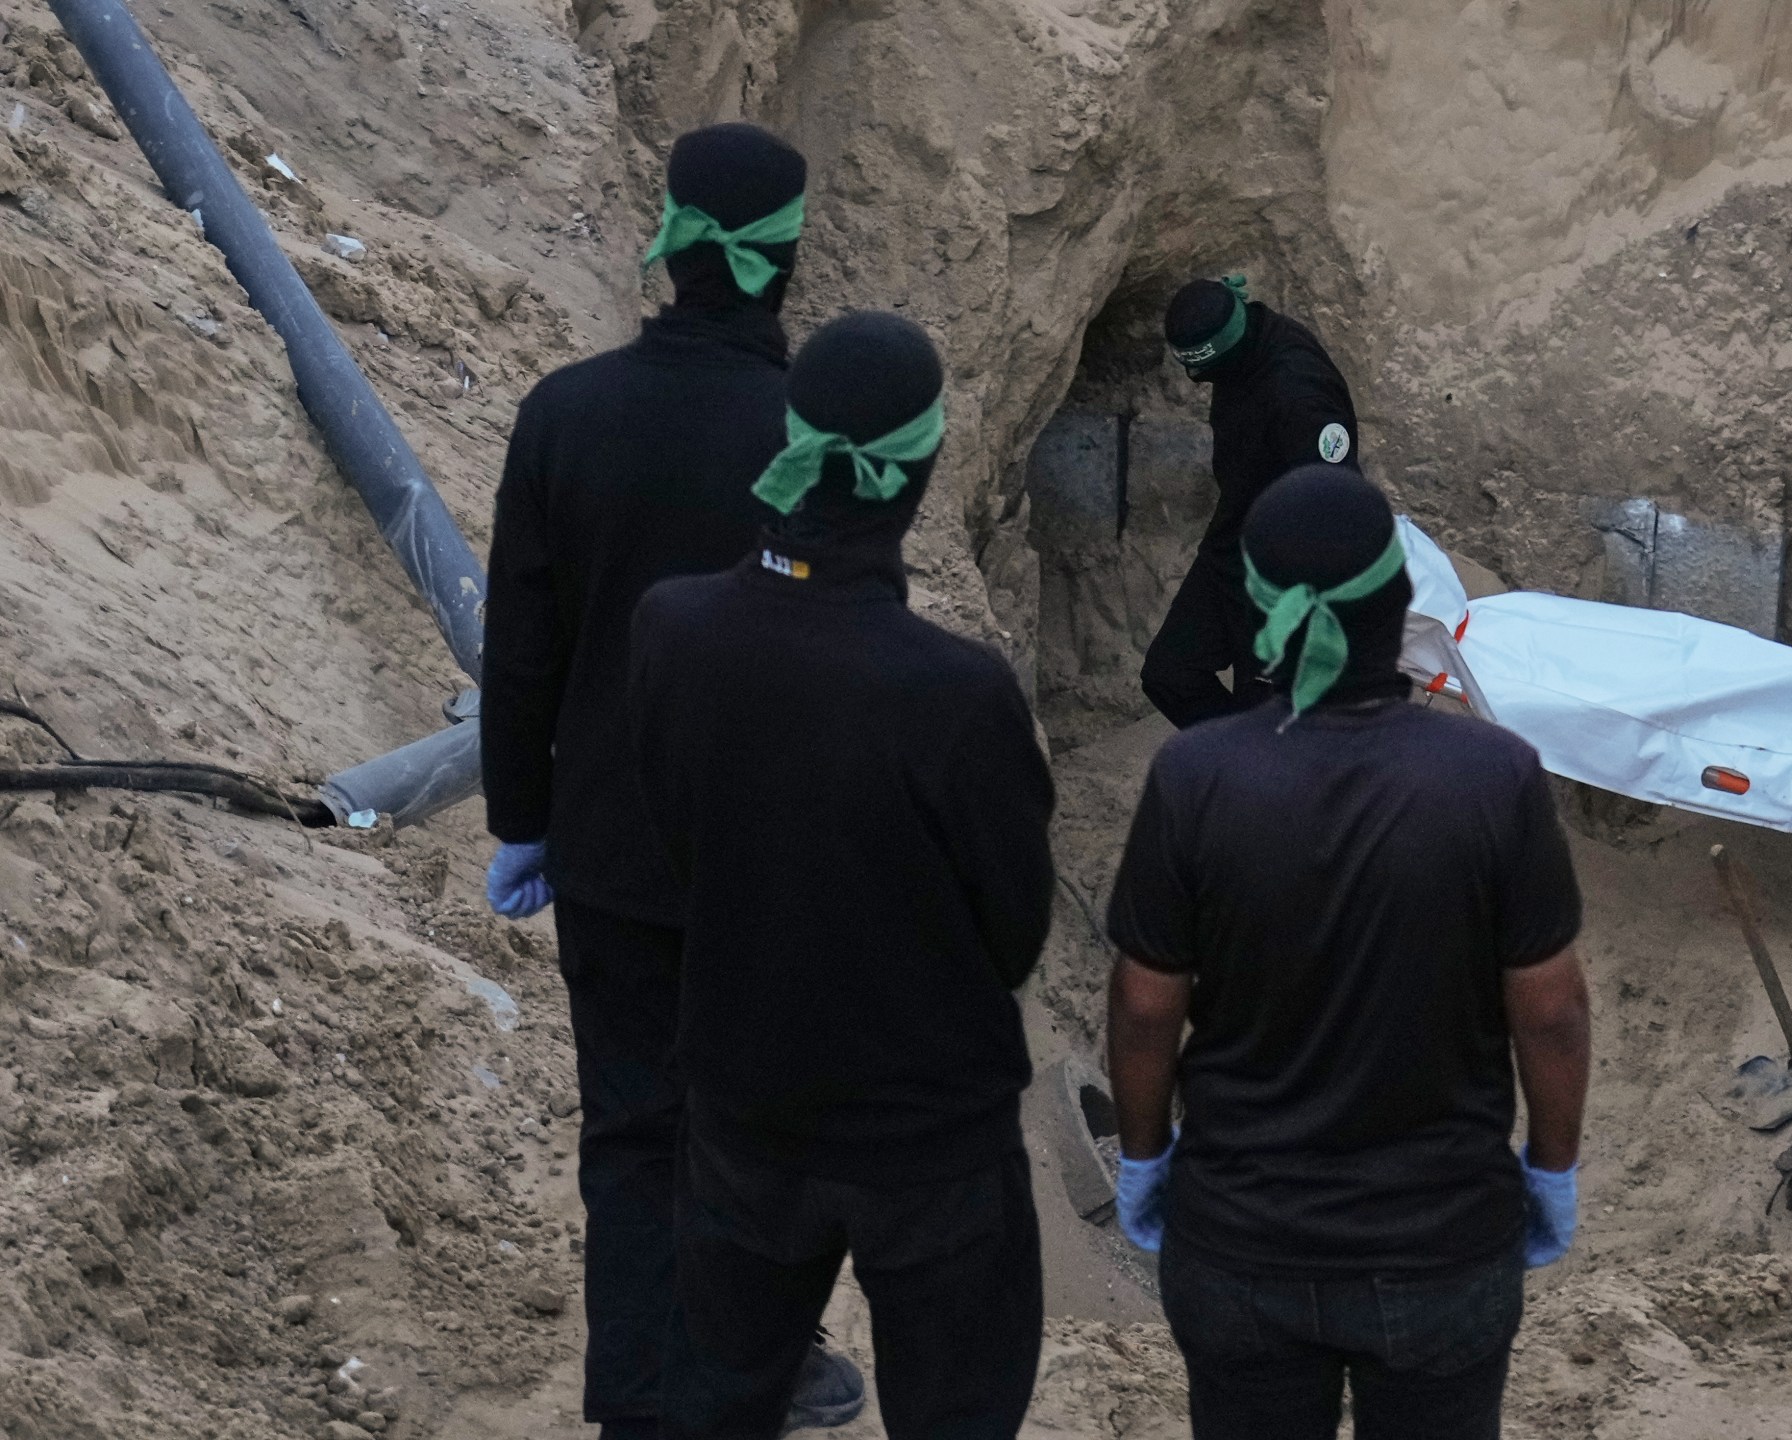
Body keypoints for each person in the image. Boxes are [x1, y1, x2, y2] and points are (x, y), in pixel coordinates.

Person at [478, 123, 866, 1438]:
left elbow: (521, 645)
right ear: (787, 255)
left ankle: (641, 1397)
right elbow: (858, 655)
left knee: (635, 1133)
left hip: (609, 847)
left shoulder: (565, 412)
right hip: (776, 860)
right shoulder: (815, 436)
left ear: (669, 237)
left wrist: (523, 820)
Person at [626, 312, 1055, 1440]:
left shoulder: (673, 629)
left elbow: (678, 843)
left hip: (742, 1100)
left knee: (720, 1391)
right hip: (929, 1135)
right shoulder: (954, 693)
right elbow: (1012, 930)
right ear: (916, 475)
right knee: (957, 1407)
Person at [1104, 465, 1593, 1439]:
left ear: (1259, 611)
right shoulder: (1493, 776)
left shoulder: (1196, 777)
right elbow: (1550, 1009)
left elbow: (1145, 1007)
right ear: (1398, 601)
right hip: (1442, 1248)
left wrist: (1146, 1157)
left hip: (1241, 1246)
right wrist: (1550, 1169)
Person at [1141, 276, 1361, 728]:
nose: (1197, 381)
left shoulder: (1297, 393)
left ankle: (1260, 772)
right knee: (1169, 674)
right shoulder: (1243, 334)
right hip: (1235, 543)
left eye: (1203, 370)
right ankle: (1238, 752)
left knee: (1265, 708)